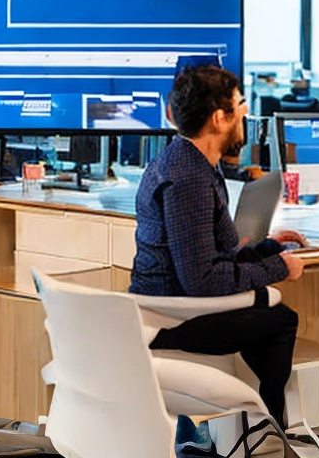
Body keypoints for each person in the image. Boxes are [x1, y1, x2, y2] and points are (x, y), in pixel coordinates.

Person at [129, 64, 305, 432]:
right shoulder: (189, 178)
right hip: (173, 317)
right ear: (219, 118)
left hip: (170, 305)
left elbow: (207, 255)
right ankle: (271, 427)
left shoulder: (188, 162)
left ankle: (260, 424)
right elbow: (203, 279)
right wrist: (279, 269)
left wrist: (266, 250)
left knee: (267, 309)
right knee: (280, 319)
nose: (245, 112)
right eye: (240, 105)